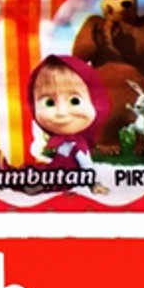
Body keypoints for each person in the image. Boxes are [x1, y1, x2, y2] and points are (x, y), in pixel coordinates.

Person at [27, 54, 110, 195]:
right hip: (56, 173)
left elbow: (86, 165)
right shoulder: (59, 141)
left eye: (75, 101)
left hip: (67, 178)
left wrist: (94, 184)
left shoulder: (78, 144)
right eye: (49, 102)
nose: (61, 113)